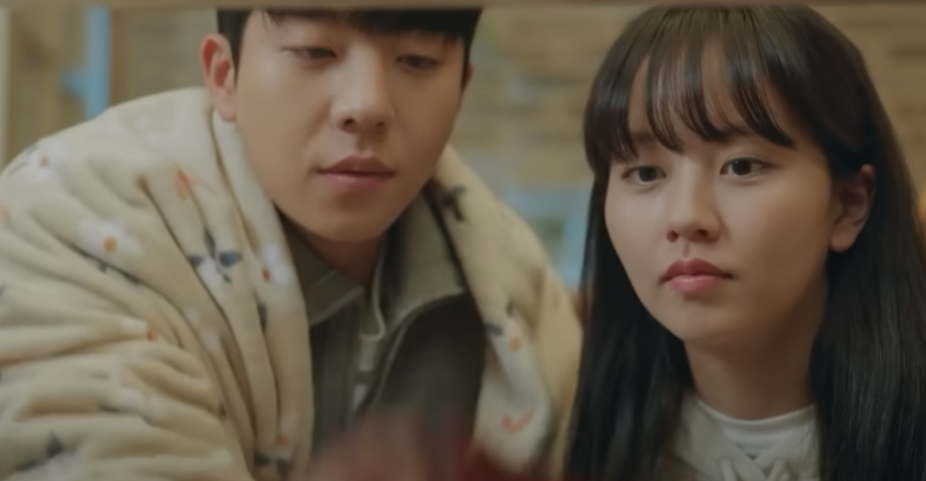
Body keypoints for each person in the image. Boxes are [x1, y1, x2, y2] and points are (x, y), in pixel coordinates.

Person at [0, 8, 582, 481]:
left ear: (461, 88)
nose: (367, 106)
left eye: (417, 59)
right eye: (314, 51)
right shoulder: (71, 216)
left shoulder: (514, 283)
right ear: (224, 74)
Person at [565, 6, 926, 481]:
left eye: (741, 166)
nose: (686, 217)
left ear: (849, 203)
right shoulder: (568, 441)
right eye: (647, 173)